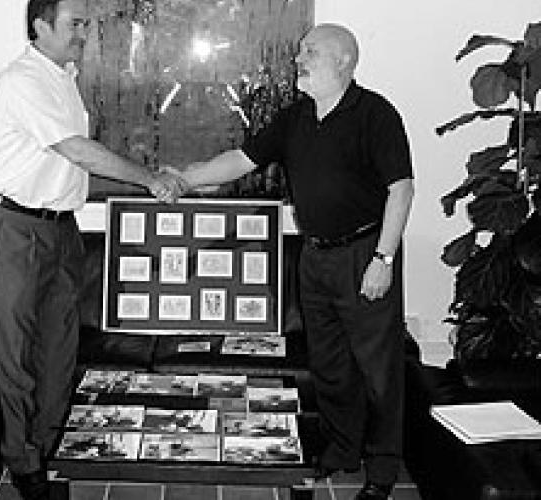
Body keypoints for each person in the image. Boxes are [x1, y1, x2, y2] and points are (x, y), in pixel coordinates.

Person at [172, 23, 414, 500]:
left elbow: (401, 190)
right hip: (315, 256)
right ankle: (342, 451)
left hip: (365, 254)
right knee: (330, 365)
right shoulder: (295, 117)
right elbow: (241, 160)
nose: (298, 59)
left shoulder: (376, 114)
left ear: (343, 60)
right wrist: (183, 179)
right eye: (300, 51)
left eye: (310, 52)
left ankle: (383, 470)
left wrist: (383, 259)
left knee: (379, 370)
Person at [0, 1, 182, 499]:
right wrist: (150, 178)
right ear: (40, 25)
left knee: (58, 348)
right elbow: (77, 151)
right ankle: (22, 461)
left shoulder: (63, 78)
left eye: (86, 24)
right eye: (75, 24)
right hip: (15, 231)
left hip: (61, 231)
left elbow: (72, 162)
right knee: (14, 354)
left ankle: (46, 448)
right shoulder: (22, 80)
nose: (84, 33)